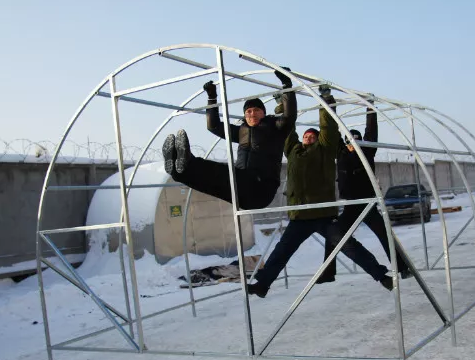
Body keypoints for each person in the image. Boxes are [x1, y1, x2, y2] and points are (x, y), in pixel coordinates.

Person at [247, 88, 393, 298]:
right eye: (305, 135)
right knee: (281, 252)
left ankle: (381, 276)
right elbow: (287, 130)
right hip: (299, 217)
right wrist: (282, 105)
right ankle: (262, 285)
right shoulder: (293, 151)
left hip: (323, 215)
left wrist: (326, 100)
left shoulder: (324, 150)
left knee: (348, 245)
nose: (307, 137)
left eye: (312, 135)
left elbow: (328, 127)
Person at [161, 69, 297, 210]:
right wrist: (212, 97)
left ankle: (188, 161)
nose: (252, 114)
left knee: (221, 173)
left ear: (264, 112)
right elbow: (213, 126)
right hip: (242, 192)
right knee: (209, 183)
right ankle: (178, 172)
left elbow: (289, 116)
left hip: (261, 189)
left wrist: (286, 84)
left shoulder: (276, 127)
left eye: (256, 110)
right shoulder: (241, 131)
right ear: (244, 115)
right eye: (248, 111)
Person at [317, 100, 413, 283]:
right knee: (334, 234)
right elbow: (333, 131)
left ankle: (402, 268)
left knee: (385, 236)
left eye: (356, 141)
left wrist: (370, 109)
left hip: (367, 204)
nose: (353, 144)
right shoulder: (341, 153)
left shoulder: (367, 152)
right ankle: (328, 271)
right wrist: (329, 107)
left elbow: (371, 132)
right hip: (350, 206)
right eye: (350, 141)